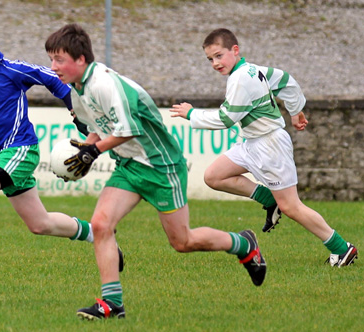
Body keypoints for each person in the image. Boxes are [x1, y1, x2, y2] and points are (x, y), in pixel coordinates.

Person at [45, 23, 268, 321]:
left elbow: (128, 131)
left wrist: (94, 152)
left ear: (80, 60)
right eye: (51, 59)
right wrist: (82, 152)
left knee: (182, 242)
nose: (53, 66)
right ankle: (112, 304)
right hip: (130, 166)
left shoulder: (104, 84)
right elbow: (99, 130)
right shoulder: (77, 90)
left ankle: (243, 244)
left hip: (162, 166)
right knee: (100, 224)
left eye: (59, 59)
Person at [0, 19, 122, 300]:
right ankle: (99, 234)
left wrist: (75, 110)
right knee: (40, 224)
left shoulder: (12, 70)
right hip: (0, 156)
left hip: (21, 149)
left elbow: (52, 77)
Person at [170, 28, 358, 269]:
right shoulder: (254, 70)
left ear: (235, 50)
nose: (215, 63)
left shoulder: (240, 78)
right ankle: (269, 199)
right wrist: (295, 110)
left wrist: (191, 113)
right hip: (253, 142)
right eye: (210, 59)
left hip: (270, 145)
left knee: (292, 207)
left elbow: (226, 119)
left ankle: (342, 249)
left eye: (219, 56)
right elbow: (286, 81)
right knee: (214, 176)